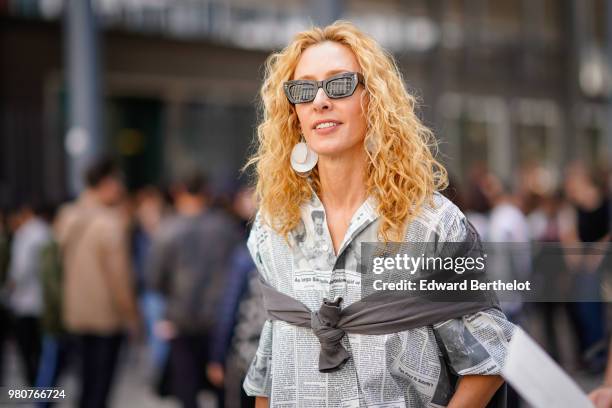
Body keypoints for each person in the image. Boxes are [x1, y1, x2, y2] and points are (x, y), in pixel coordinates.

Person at [243, 21, 515, 408]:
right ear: (294, 113)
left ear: (373, 99)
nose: (320, 101)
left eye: (339, 85)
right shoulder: (272, 229)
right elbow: (269, 368)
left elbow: (491, 355)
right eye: (304, 90)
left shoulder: (433, 224)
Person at [148, 171, 239, 408]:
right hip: (220, 318)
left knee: (186, 389)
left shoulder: (166, 230)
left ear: (178, 192)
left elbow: (155, 279)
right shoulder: (226, 228)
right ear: (206, 192)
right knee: (221, 385)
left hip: (181, 318)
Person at [55, 157, 140, 408]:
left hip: (74, 314)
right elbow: (120, 278)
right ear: (106, 182)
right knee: (100, 387)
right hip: (106, 318)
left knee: (83, 383)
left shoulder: (67, 216)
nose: (120, 188)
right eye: (117, 182)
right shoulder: (110, 223)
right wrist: (132, 317)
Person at [5, 203, 51, 385]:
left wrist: (9, 289)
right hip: (43, 300)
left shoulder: (25, 234)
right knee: (41, 350)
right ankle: (45, 387)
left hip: (25, 301)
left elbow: (19, 270)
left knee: (27, 351)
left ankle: (34, 389)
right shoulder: (45, 231)